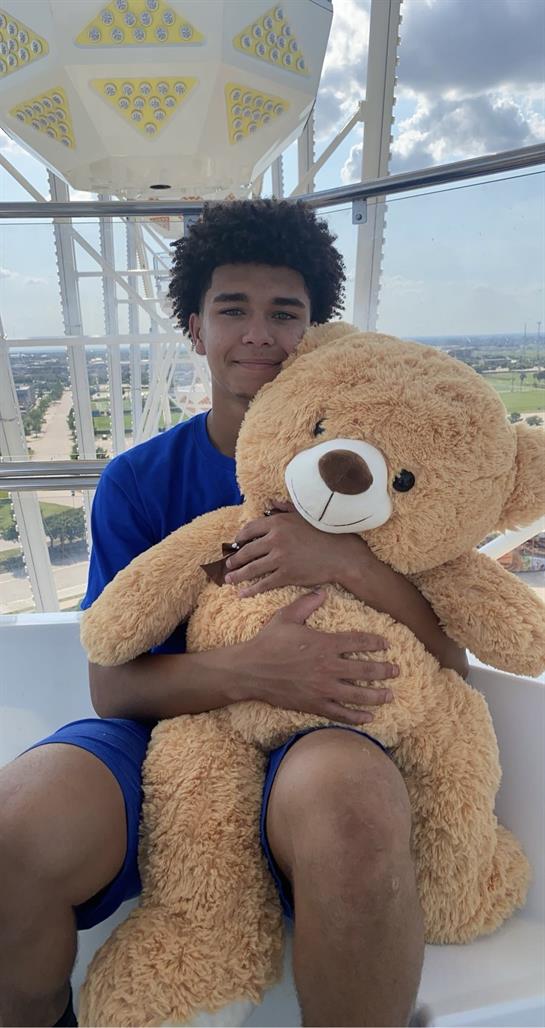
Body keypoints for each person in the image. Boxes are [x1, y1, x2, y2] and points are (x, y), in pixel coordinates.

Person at [0, 200, 468, 1028]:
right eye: (232, 309)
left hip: (322, 730)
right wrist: (250, 671)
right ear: (194, 328)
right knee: (14, 833)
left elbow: (452, 660)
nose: (258, 333)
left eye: (284, 312)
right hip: (159, 741)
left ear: (314, 334)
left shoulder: (380, 477)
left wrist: (347, 563)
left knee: (355, 816)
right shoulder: (141, 481)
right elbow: (114, 687)